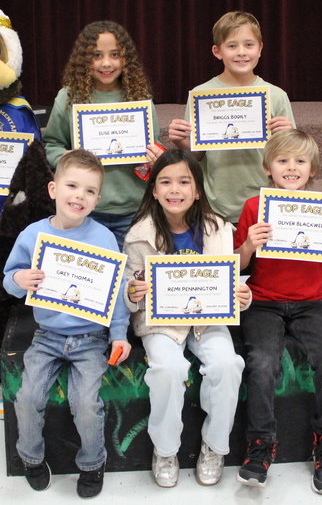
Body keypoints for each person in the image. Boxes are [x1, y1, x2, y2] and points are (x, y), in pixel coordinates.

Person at [233, 129, 322, 495]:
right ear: (267, 168)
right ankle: (260, 444)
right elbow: (238, 265)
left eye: (300, 161)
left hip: (309, 303)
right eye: (283, 160)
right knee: (261, 362)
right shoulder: (254, 207)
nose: (291, 167)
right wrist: (248, 245)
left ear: (312, 169)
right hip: (263, 301)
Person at [3, 149, 132, 499]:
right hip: (47, 336)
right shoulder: (32, 236)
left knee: (87, 404)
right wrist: (20, 279)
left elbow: (117, 292)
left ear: (98, 199)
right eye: (72, 185)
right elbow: (8, 280)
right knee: (28, 396)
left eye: (90, 191)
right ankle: (31, 458)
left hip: (91, 338)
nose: (79, 195)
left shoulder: (104, 238)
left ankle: (92, 465)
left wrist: (119, 335)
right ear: (53, 189)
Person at [124, 149, 253, 488]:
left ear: (197, 189)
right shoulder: (138, 235)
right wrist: (133, 294)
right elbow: (128, 288)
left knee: (228, 365)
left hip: (206, 320)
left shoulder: (220, 229)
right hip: (160, 322)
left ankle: (214, 446)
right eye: (165, 182)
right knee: (169, 369)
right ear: (153, 190)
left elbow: (233, 282)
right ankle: (165, 450)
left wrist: (242, 295)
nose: (174, 189)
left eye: (184, 181)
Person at [43, 21, 164, 248]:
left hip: (133, 210)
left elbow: (153, 146)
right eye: (97, 55)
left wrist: (157, 159)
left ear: (126, 58)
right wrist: (65, 157)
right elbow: (50, 145)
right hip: (83, 211)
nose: (106, 63)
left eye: (115, 54)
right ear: (83, 59)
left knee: (129, 280)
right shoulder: (69, 97)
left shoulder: (139, 97)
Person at [167, 11, 295, 223]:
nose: (241, 53)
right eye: (232, 46)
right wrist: (182, 143)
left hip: (265, 200)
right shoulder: (201, 95)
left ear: (260, 49)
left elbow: (291, 157)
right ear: (217, 51)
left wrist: (288, 136)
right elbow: (197, 156)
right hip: (218, 204)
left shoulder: (277, 96)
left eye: (249, 45)